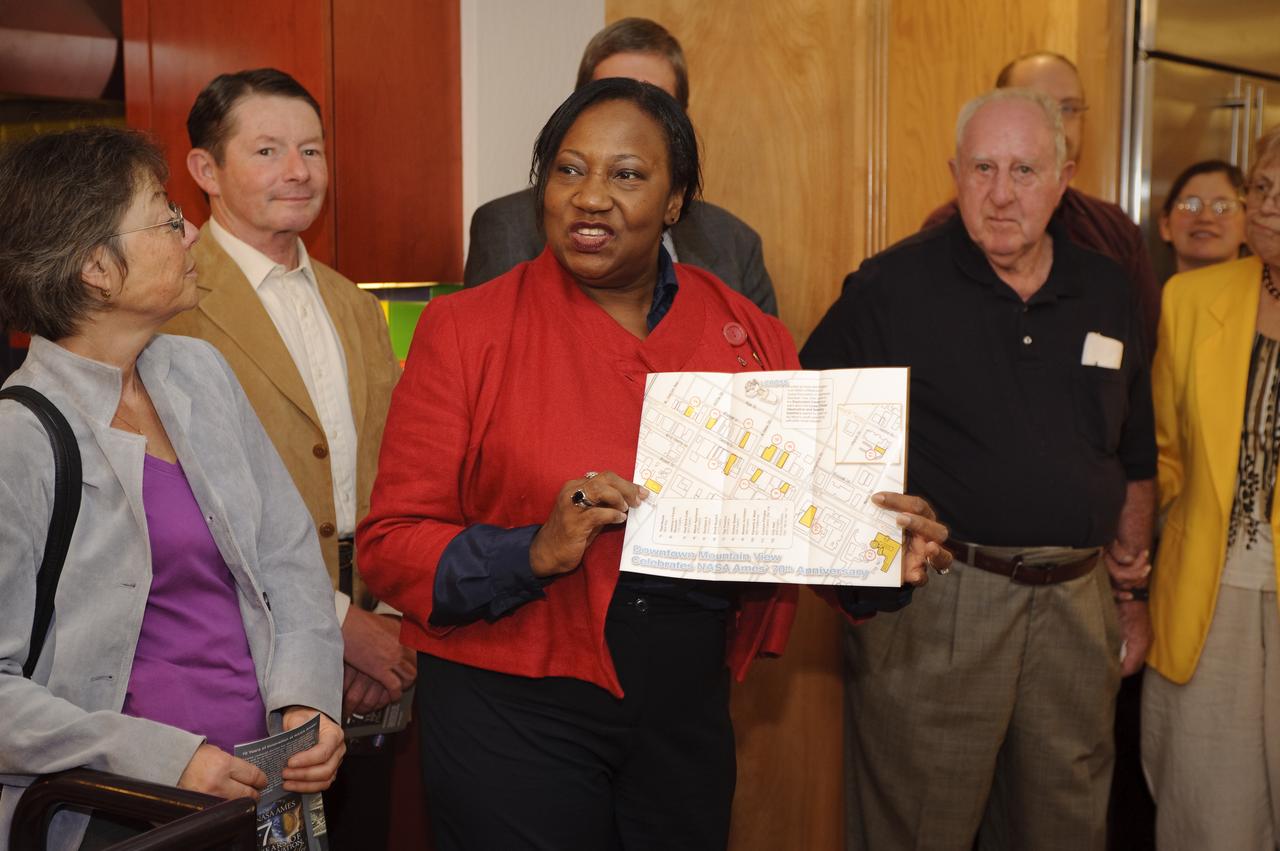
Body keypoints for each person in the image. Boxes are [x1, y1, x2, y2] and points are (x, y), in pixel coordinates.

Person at [358, 77, 950, 850]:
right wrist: (531, 550)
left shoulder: (751, 336)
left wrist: (876, 555)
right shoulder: (465, 329)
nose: (591, 197)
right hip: (510, 704)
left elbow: (793, 520)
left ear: (676, 204)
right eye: (569, 171)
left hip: (683, 707)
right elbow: (391, 544)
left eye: (627, 175)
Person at [802, 88, 1157, 850]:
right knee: (919, 826)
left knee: (1066, 826)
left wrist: (1129, 593)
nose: (1002, 194)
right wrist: (869, 545)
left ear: (1065, 177)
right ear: (954, 173)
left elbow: (1134, 447)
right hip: (945, 602)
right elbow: (805, 428)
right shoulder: (890, 287)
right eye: (983, 169)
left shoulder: (1105, 286)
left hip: (1076, 604)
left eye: (1025, 170)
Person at [0, 127, 343, 851]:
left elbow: (288, 562)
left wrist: (308, 701)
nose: (191, 232)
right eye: (165, 217)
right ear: (96, 267)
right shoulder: (20, 440)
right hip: (114, 812)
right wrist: (164, 759)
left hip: (261, 789)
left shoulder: (200, 372)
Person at [161, 68, 412, 849]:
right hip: (240, 654)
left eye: (311, 149)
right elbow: (191, 503)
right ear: (205, 170)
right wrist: (339, 626)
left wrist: (388, 618)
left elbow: (398, 464)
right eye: (267, 150)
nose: (297, 170)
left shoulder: (352, 301)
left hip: (379, 638)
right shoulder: (172, 305)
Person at [1143, 126, 1280, 849]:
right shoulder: (1190, 297)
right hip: (1208, 594)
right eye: (1261, 188)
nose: (1268, 207)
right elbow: (1164, 452)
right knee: (1206, 814)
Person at [463, 17, 779, 316]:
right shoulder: (507, 227)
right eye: (612, 95)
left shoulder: (736, 241)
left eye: (656, 102)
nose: (631, 115)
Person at [922, 51, 1161, 350]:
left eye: (1069, 108)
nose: (1055, 120)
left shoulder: (1114, 230)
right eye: (1037, 103)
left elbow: (1143, 351)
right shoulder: (953, 228)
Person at [1158, 159, 1248, 277]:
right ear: (1165, 226)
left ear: (1248, 228)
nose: (1206, 218)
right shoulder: (1147, 294)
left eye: (1222, 207)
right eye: (1191, 206)